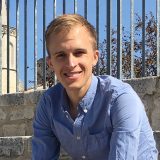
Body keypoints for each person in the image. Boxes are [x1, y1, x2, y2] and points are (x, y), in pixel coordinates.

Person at [32, 14, 158, 160]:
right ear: (51, 63)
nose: (71, 64)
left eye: (79, 53)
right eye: (61, 55)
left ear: (95, 57)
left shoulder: (120, 99)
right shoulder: (48, 104)